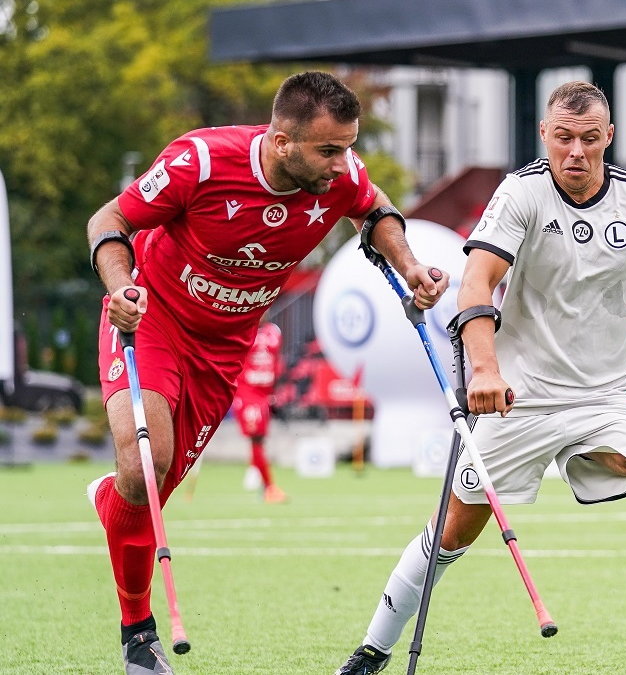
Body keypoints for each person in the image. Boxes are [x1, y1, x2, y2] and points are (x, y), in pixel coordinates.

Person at [335, 80, 626, 675]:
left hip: (605, 399)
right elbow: (476, 283)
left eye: (590, 140)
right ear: (545, 135)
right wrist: (483, 368)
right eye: (563, 138)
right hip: (518, 398)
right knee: (451, 536)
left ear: (608, 138)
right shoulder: (522, 193)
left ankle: (575, 455)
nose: (576, 153)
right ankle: (372, 649)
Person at [85, 71, 449, 675]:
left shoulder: (342, 176)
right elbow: (109, 221)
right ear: (282, 142)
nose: (344, 163)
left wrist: (409, 265)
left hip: (224, 348)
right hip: (151, 318)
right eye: (330, 150)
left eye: (349, 147)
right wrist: (121, 287)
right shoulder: (199, 161)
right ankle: (139, 636)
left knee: (152, 490)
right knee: (145, 466)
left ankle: (114, 500)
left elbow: (375, 209)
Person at [232, 320, 287, 503]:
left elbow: (276, 361)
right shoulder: (243, 329)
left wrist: (274, 391)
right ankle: (268, 487)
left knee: (260, 439)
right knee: (256, 438)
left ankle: (257, 472)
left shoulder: (274, 331)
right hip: (248, 392)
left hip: (265, 394)